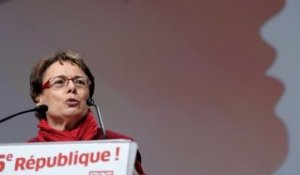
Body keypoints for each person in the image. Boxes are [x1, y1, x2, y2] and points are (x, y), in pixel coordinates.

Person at [28, 49, 145, 174]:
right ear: (38, 97)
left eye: (79, 82)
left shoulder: (120, 148)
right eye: (59, 82)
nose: (72, 88)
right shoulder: (25, 156)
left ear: (89, 96)